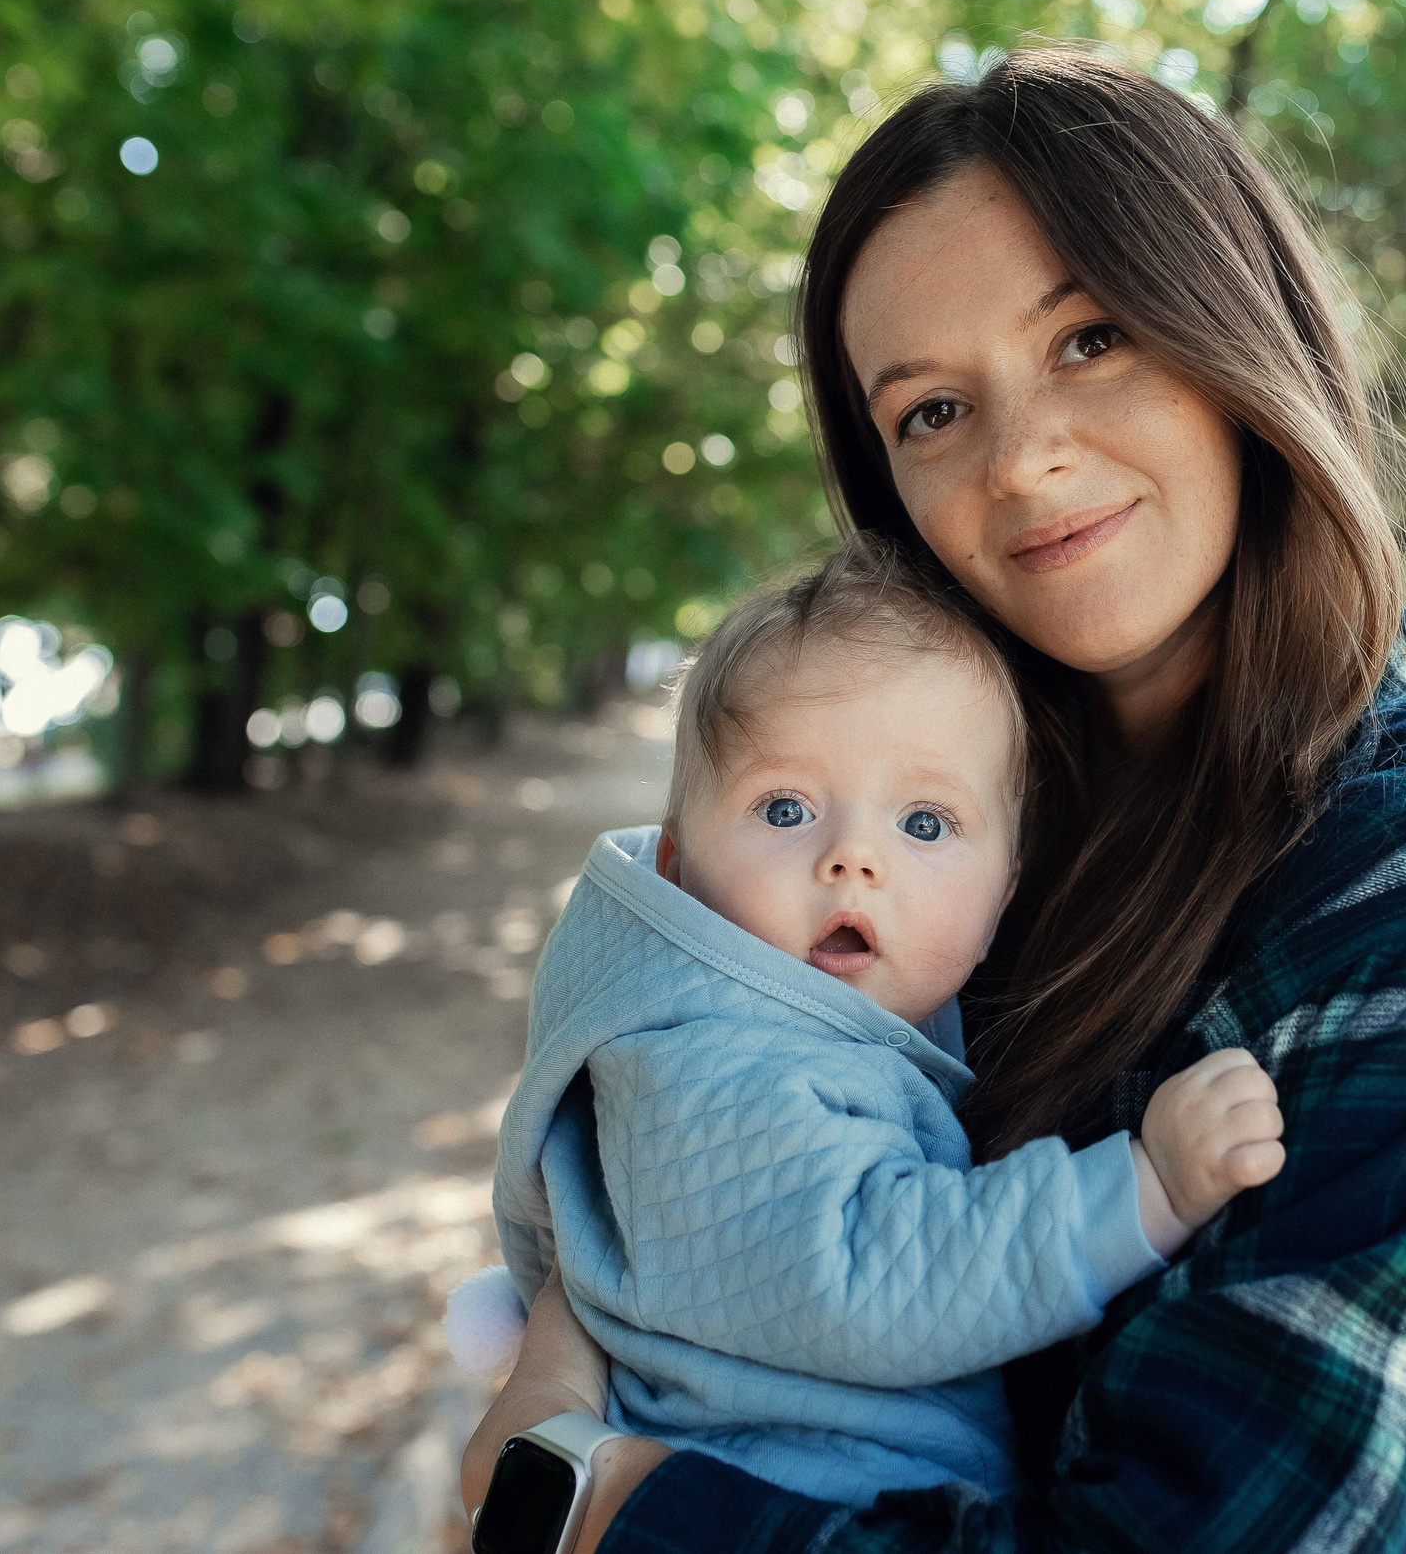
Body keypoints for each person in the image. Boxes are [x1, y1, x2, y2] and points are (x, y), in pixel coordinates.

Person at [464, 46, 1406, 1553]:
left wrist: (594, 1500)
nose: (1024, 456)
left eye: (1091, 337)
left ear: (1241, 335)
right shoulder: (938, 865)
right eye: (928, 411)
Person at [482, 535, 1286, 1505]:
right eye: (785, 809)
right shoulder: (712, 1070)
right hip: (790, 1493)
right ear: (674, 866)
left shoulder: (809, 1031)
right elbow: (874, 1275)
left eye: (924, 824)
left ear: (1004, 896)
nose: (853, 857)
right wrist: (1142, 1188)